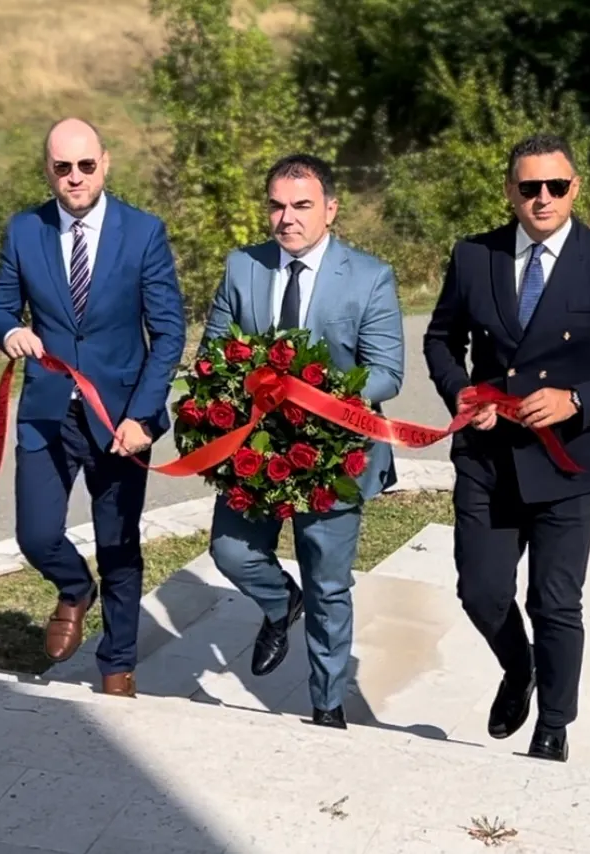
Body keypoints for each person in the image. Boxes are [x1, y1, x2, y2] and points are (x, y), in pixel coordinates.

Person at [423, 133, 590, 761]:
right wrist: (462, 392)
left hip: (571, 464)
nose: (542, 198)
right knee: (480, 591)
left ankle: (554, 726)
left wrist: (579, 400)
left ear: (574, 188)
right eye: (528, 187)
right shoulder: (474, 255)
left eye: (555, 187)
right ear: (510, 191)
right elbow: (441, 340)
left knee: (555, 601)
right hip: (487, 462)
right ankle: (518, 668)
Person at [0, 117, 186, 698]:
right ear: (48, 169)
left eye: (85, 165)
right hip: (47, 413)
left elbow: (168, 333)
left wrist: (143, 416)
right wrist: (7, 331)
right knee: (37, 535)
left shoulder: (143, 233)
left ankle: (117, 665)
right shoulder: (25, 231)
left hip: (120, 419)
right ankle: (74, 588)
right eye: (62, 167)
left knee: (118, 545)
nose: (74, 178)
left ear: (105, 163)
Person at [200, 153, 405, 729]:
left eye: (302, 205)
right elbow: (213, 352)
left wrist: (316, 393)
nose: (286, 218)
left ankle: (327, 703)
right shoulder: (243, 268)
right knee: (231, 551)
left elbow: (387, 371)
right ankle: (277, 602)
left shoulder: (369, 276)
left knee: (328, 583)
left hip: (335, 451)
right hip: (255, 449)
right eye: (277, 205)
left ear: (330, 210)